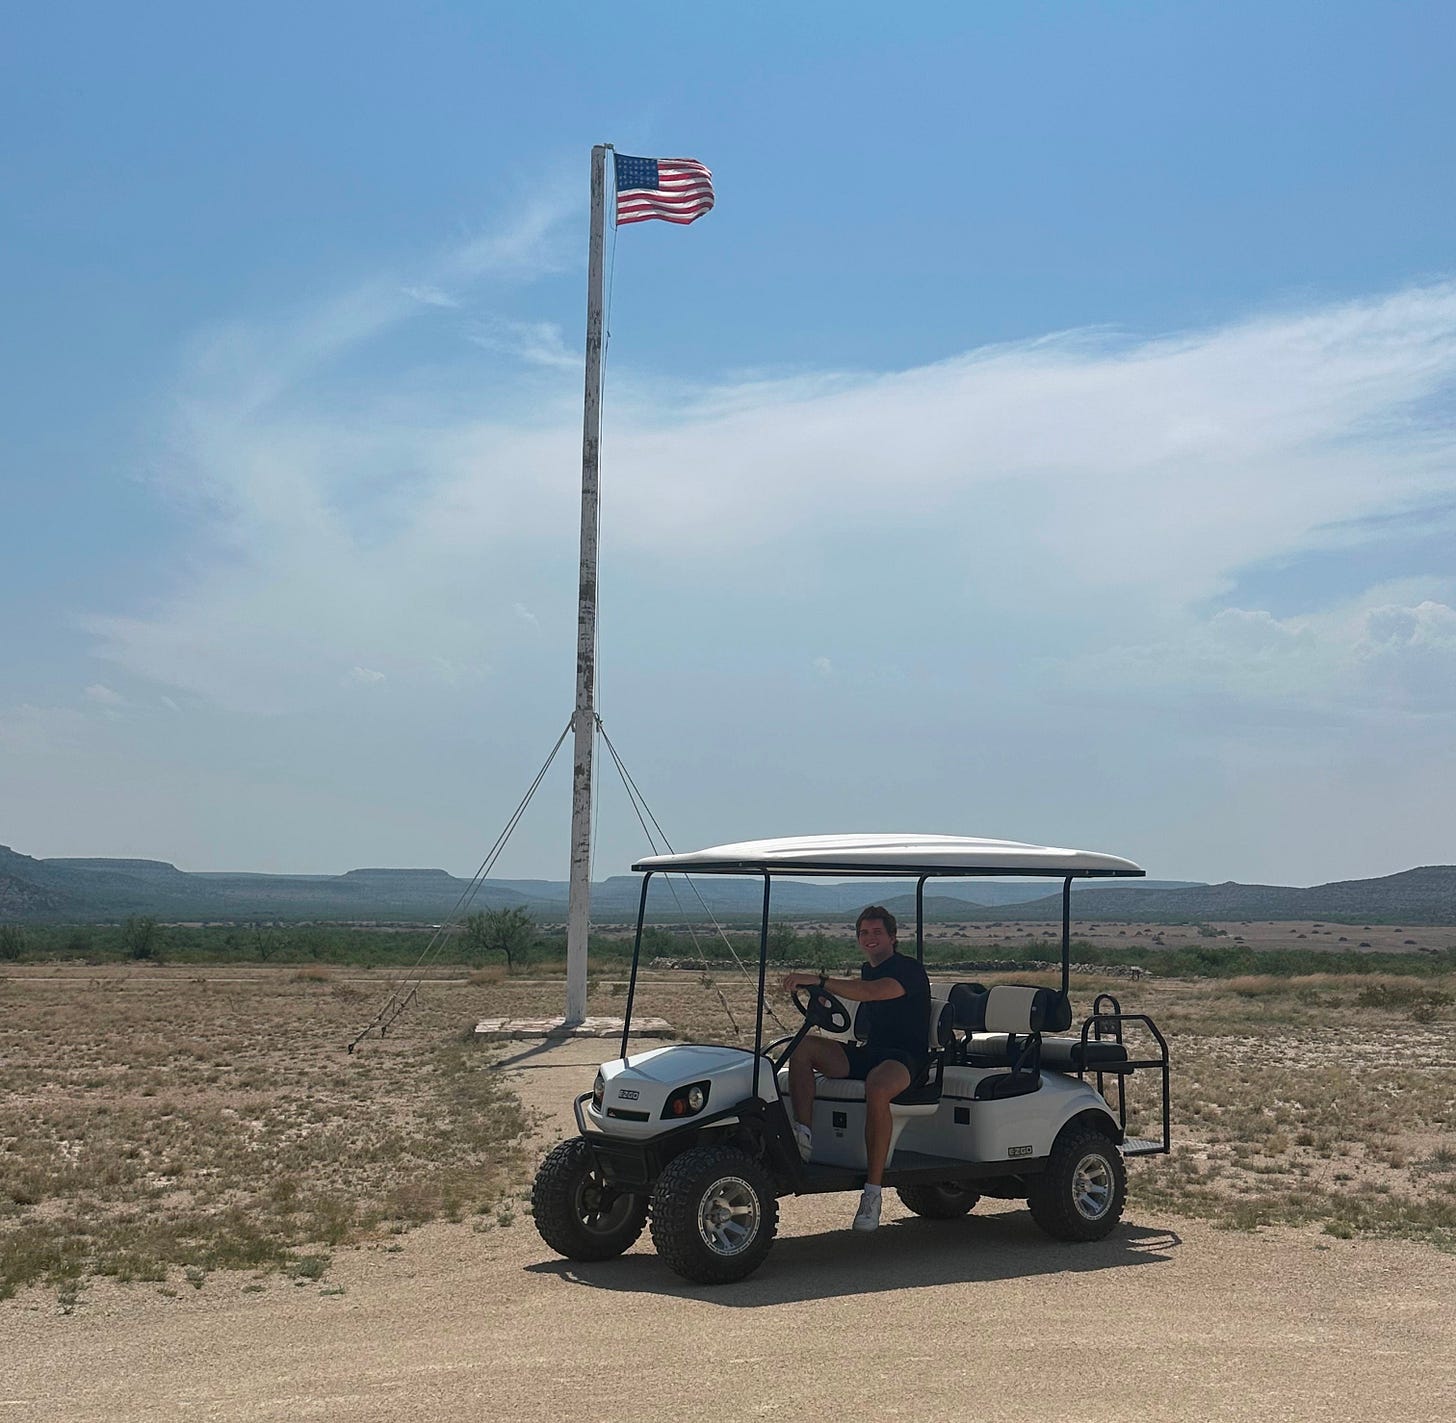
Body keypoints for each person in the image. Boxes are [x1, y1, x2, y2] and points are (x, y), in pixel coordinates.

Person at [779, 905, 930, 1232]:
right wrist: (821, 997)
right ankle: (802, 1137)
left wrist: (819, 980)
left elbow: (871, 993)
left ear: (892, 936)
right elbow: (858, 995)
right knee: (802, 1048)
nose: (870, 938)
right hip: (872, 1052)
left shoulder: (909, 970)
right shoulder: (867, 969)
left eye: (877, 932)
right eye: (864, 933)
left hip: (907, 1058)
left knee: (877, 1086)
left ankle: (872, 1193)